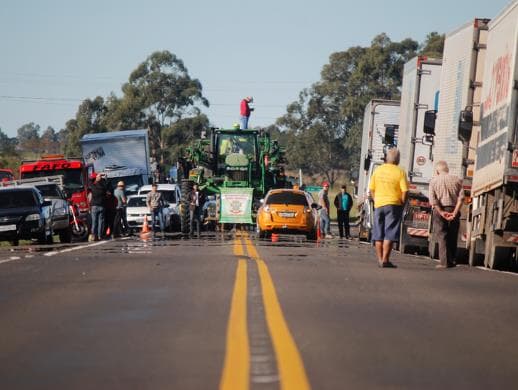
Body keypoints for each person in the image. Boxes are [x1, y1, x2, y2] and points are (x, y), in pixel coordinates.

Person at [369, 148, 408, 268]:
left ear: (386, 158)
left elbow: (371, 189)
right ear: (398, 159)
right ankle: (385, 259)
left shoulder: (378, 170)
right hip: (393, 204)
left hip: (379, 204)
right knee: (389, 233)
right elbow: (405, 191)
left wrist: (376, 200)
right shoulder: (400, 172)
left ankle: (380, 259)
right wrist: (402, 202)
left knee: (378, 233)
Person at [429, 161, 464, 269]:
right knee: (453, 235)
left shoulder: (433, 181)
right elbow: (461, 198)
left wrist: (441, 212)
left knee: (442, 234)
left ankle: (444, 262)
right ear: (447, 169)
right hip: (453, 209)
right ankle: (452, 259)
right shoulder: (457, 180)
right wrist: (454, 212)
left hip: (440, 210)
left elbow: (433, 201)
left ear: (437, 171)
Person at [89, 173, 109, 241]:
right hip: (102, 206)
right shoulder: (103, 188)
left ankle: (93, 236)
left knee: (94, 222)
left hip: (94, 206)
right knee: (101, 222)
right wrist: (104, 177)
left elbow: (90, 181)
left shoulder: (93, 186)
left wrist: (98, 176)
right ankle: (100, 236)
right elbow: (106, 183)